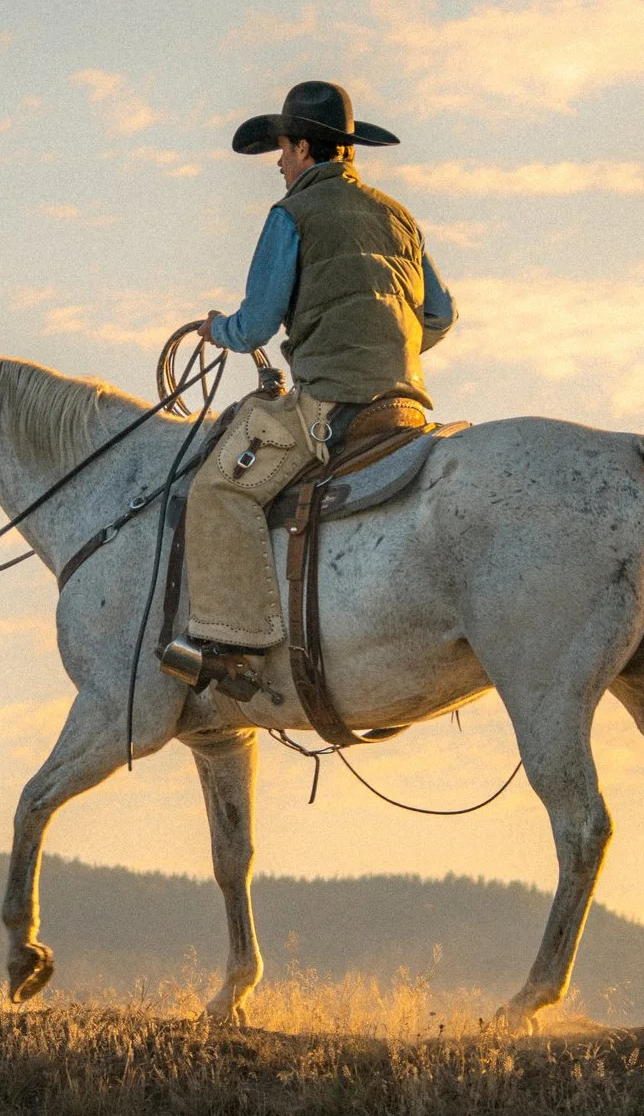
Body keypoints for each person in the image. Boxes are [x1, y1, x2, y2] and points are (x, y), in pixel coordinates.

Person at [163, 79, 456, 687]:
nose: (277, 162)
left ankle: (237, 649)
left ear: (302, 147)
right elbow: (441, 315)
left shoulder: (291, 214)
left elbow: (256, 323)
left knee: (217, 488)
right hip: (406, 407)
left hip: (331, 405)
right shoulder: (397, 215)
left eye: (283, 149)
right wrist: (384, 341)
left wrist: (218, 329)